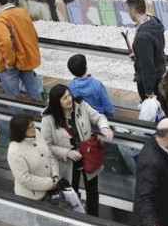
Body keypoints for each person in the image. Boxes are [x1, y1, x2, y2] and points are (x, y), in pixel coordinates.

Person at [40, 84, 114, 217]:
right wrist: (66, 153)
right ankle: (74, 219)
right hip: (67, 164)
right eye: (64, 98)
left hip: (88, 158)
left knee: (93, 192)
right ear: (57, 102)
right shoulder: (48, 119)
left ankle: (94, 219)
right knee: (70, 193)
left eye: (69, 96)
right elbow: (46, 146)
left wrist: (104, 128)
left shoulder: (81, 105)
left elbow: (98, 117)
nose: (69, 100)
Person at [0, 0, 42, 101]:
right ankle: (39, 115)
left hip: (10, 64)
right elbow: (33, 33)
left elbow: (6, 42)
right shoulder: (22, 12)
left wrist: (9, 61)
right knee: (33, 90)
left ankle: (17, 117)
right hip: (25, 57)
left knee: (13, 97)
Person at [7, 114, 59, 200]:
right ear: (21, 130)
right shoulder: (14, 151)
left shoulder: (37, 133)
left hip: (50, 190)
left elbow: (49, 154)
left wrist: (55, 175)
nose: (34, 128)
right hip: (31, 198)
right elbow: (24, 179)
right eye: (30, 127)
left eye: (33, 124)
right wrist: (50, 184)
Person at [125, 0, 166, 101]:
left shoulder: (142, 36)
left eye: (129, 11)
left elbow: (147, 66)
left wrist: (148, 90)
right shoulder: (154, 22)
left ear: (133, 11)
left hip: (151, 84)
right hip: (160, 75)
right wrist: (138, 54)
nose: (129, 14)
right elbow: (156, 48)